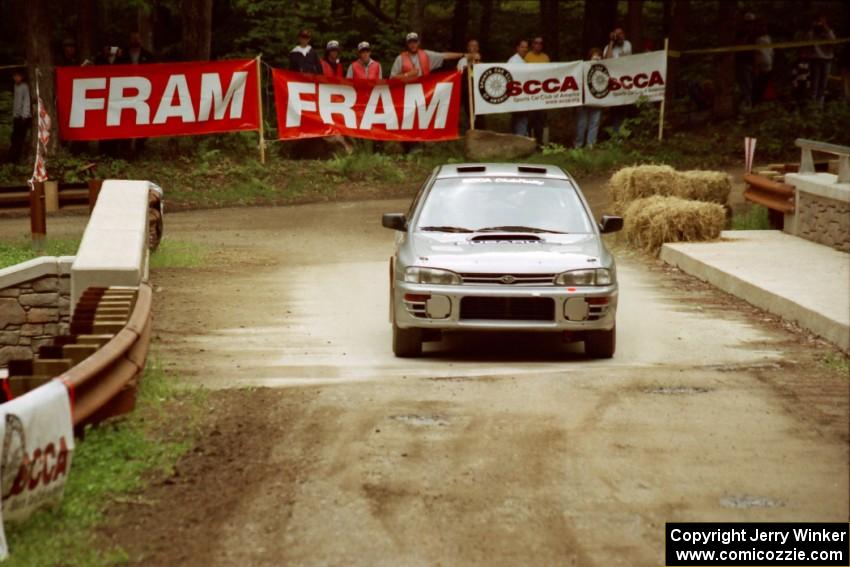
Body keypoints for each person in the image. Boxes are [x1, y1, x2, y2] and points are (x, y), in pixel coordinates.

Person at [389, 32, 466, 80]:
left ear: (418, 42)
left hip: (423, 91)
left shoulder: (426, 54)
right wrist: (407, 75)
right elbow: (392, 78)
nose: (413, 45)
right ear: (407, 44)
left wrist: (463, 55)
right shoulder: (400, 58)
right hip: (406, 92)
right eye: (410, 42)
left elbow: (445, 55)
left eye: (415, 42)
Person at [575, 48, 603, 149]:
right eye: (594, 57)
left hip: (597, 100)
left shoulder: (603, 70)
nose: (596, 59)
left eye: (599, 57)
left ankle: (590, 145)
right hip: (583, 101)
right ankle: (578, 145)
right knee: (582, 123)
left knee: (594, 123)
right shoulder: (582, 68)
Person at [525, 36, 550, 145]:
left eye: (540, 43)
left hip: (542, 93)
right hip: (530, 93)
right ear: (532, 44)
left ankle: (540, 143)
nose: (538, 45)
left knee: (540, 120)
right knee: (530, 119)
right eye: (536, 43)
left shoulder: (546, 58)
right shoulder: (527, 57)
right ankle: (529, 142)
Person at [808, 15, 836, 107]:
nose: (820, 24)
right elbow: (809, 40)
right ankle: (813, 106)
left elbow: (833, 41)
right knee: (814, 84)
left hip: (827, 60)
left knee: (823, 84)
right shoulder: (812, 32)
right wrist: (814, 27)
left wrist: (826, 28)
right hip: (816, 59)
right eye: (819, 21)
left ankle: (820, 106)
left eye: (822, 22)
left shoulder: (829, 32)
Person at [457, 39, 482, 131]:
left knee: (480, 114)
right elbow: (460, 74)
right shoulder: (462, 61)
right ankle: (471, 129)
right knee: (470, 112)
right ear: (468, 48)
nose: (474, 48)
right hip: (468, 91)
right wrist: (471, 62)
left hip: (479, 90)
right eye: (471, 46)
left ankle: (480, 129)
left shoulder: (481, 59)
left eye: (476, 46)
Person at [735, 12, 758, 110]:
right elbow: (739, 47)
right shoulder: (741, 33)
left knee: (750, 84)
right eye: (748, 23)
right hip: (742, 62)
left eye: (752, 23)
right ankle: (747, 104)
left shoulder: (754, 34)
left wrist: (756, 64)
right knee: (746, 84)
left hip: (750, 62)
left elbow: (755, 51)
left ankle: (747, 103)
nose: (750, 25)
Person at [507, 39, 529, 137]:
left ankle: (515, 138)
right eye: (522, 47)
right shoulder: (513, 61)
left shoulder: (522, 61)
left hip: (520, 94)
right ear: (517, 48)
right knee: (521, 118)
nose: (524, 49)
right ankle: (520, 139)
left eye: (526, 47)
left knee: (517, 119)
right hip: (517, 95)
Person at [9, 69, 31, 163]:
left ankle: (18, 158)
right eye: (14, 76)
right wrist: (15, 115)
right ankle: (12, 157)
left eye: (18, 76)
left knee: (20, 138)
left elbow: (26, 101)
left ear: (22, 77)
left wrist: (25, 115)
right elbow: (16, 102)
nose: (16, 78)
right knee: (14, 137)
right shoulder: (15, 86)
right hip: (16, 116)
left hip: (23, 117)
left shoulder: (24, 87)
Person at [752, 20, 774, 103]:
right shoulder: (759, 39)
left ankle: (762, 100)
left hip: (767, 64)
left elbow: (771, 52)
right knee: (759, 85)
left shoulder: (767, 38)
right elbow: (756, 54)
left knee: (763, 85)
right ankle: (758, 101)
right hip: (762, 65)